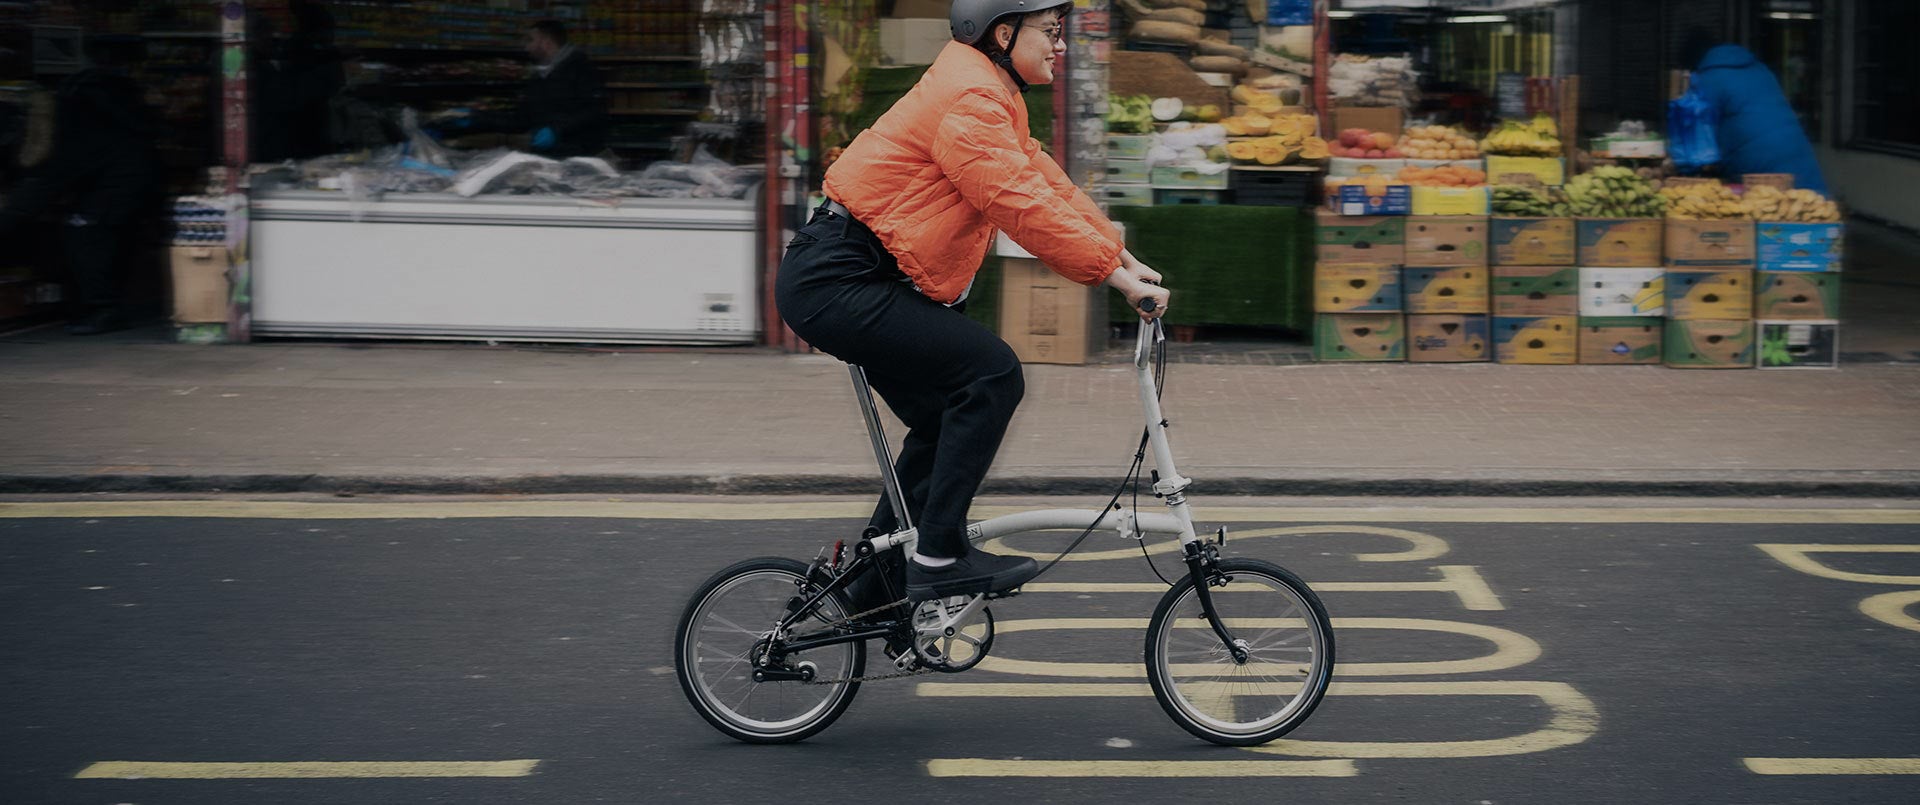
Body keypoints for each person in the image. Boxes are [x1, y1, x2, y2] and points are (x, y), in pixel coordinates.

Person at [775, 0, 1170, 606]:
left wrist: (1122, 257)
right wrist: (1113, 279)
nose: (1061, 45)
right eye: (1051, 32)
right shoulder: (971, 100)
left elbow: (1044, 184)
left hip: (861, 276)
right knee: (992, 374)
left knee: (944, 416)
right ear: (1003, 34)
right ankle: (937, 557)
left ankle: (875, 585)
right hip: (840, 279)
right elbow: (1017, 202)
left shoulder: (990, 93)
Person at [0, 38, 160, 334]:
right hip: (130, 175)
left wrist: (7, 217)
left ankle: (104, 309)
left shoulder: (60, 124)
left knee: (84, 234)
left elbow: (38, 187)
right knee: (104, 237)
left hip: (119, 180)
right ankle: (100, 306)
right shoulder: (96, 95)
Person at [1681, 31, 1828, 193]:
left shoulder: (1707, 80)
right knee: (1811, 203)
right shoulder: (1758, 69)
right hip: (1798, 156)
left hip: (1761, 169)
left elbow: (1695, 142)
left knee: (1773, 204)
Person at [448, 20, 608, 158]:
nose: (526, 47)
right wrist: (476, 118)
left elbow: (594, 111)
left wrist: (557, 130)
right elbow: (520, 119)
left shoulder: (581, 68)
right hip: (547, 157)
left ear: (546, 42)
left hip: (581, 156)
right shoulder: (538, 77)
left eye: (530, 40)